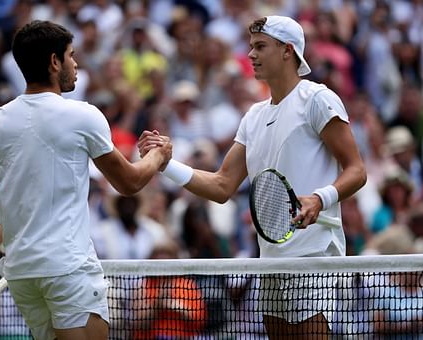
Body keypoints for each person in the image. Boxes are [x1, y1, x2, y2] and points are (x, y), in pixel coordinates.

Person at [139, 15, 367, 339]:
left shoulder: (318, 99)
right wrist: (166, 164)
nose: (250, 55)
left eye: (260, 47)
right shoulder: (254, 117)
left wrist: (320, 199)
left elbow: (357, 170)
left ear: (288, 51)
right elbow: (221, 186)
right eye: (250, 47)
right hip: (270, 260)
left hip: (313, 257)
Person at [0, 20, 171, 340]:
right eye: (71, 56)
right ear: (54, 62)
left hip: (22, 274)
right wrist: (158, 155)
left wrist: (11, 246)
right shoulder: (83, 115)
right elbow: (129, 183)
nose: (76, 64)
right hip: (67, 271)